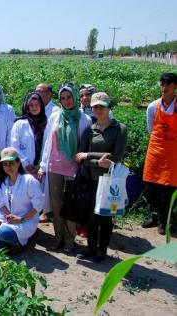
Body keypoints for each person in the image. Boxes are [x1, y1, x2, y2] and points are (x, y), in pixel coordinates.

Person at [38, 83, 92, 254]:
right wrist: (42, 165)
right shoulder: (55, 116)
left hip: (72, 169)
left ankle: (70, 239)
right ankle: (58, 236)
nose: (67, 101)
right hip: (54, 166)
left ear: (75, 98)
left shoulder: (84, 119)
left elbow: (85, 147)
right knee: (56, 205)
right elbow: (48, 142)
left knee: (70, 206)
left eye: (69, 97)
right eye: (63, 98)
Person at [75, 92, 127, 262]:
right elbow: (79, 158)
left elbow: (115, 158)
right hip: (90, 179)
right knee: (91, 217)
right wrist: (97, 161)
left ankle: (102, 251)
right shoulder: (90, 130)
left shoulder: (120, 129)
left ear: (108, 107)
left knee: (105, 218)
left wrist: (88, 155)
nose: (97, 109)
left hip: (108, 181)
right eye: (95, 106)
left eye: (101, 106)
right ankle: (91, 247)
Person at [0, 147, 43, 254]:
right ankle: (13, 240)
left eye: (11, 163)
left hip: (26, 221)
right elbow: (1, 205)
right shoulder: (4, 182)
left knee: (3, 233)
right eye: (5, 164)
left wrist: (20, 219)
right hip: (11, 221)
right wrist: (7, 217)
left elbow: (38, 206)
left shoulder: (28, 180)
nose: (8, 167)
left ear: (18, 163)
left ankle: (21, 242)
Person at [141, 72, 177, 234]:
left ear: (175, 86)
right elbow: (151, 130)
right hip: (155, 153)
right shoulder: (152, 107)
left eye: (168, 84)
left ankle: (165, 220)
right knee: (153, 188)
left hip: (173, 155)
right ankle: (154, 216)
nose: (164, 87)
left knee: (169, 190)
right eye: (162, 84)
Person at [11, 92, 47, 176]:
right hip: (24, 168)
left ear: (41, 106)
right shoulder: (19, 124)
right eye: (31, 105)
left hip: (41, 169)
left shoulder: (46, 124)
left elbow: (48, 147)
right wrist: (25, 163)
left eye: (37, 105)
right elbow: (14, 146)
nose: (34, 107)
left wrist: (40, 165)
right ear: (27, 106)